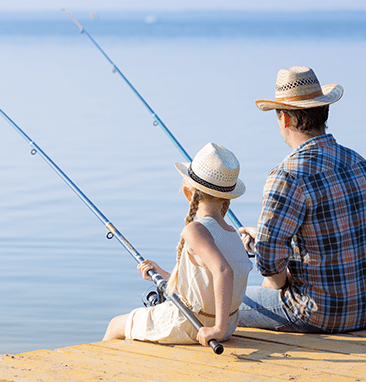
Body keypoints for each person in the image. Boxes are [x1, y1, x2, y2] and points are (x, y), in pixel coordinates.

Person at [239, 66, 366, 333]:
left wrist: (274, 271)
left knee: (217, 301)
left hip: (316, 315)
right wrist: (261, 235)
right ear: (324, 111)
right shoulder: (360, 163)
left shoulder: (287, 176)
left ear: (283, 118)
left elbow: (269, 264)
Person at [103, 142, 253, 347]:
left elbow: (223, 271)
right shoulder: (232, 234)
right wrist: (162, 274)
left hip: (191, 325)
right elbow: (203, 283)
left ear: (188, 193)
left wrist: (216, 329)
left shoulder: (195, 230)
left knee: (115, 325)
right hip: (227, 325)